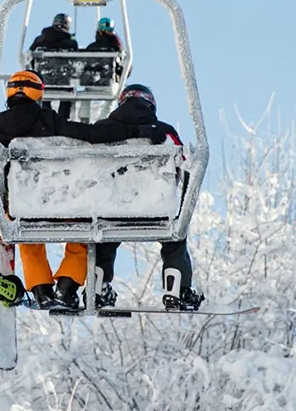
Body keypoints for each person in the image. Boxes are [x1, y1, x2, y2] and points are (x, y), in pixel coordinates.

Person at [64, 82, 205, 311]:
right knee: (175, 241)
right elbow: (184, 164)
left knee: (105, 242)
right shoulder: (164, 130)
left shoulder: (102, 129)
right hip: (156, 210)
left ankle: (99, 288)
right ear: (150, 103)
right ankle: (176, 291)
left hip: (112, 209)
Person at [0, 69, 91, 309]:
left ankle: (41, 290)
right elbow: (87, 135)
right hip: (61, 205)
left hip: (23, 208)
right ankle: (67, 286)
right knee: (83, 229)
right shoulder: (51, 122)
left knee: (27, 235)